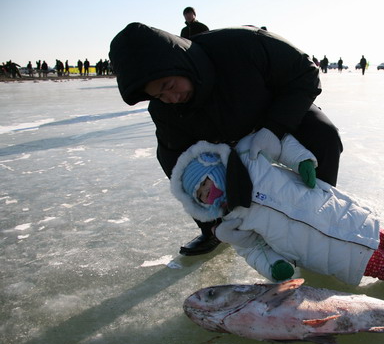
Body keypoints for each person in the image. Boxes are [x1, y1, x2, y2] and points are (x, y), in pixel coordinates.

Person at [109, 23, 343, 256]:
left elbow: (304, 73)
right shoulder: (165, 110)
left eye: (169, 85)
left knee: (325, 136)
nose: (172, 97)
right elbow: (176, 162)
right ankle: (213, 231)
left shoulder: (243, 44)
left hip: (272, 110)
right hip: (220, 137)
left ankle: (319, 213)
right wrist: (214, 221)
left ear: (179, 62)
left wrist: (275, 128)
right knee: (183, 167)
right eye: (159, 95)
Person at [170, 133, 384, 288]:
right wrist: (273, 266)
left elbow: (282, 144)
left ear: (214, 167)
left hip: (336, 213)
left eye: (205, 185)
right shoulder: (230, 223)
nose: (207, 195)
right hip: (319, 251)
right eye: (201, 196)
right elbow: (253, 249)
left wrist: (302, 161)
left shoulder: (250, 156)